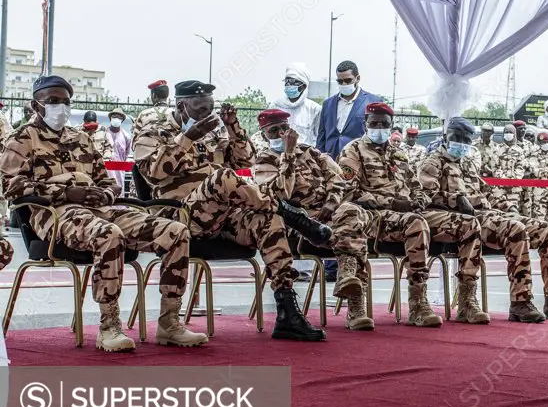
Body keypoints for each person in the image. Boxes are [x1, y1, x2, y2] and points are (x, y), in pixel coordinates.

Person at [0, 76, 206, 351]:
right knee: (109, 234)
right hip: (57, 215)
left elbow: (107, 180)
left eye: (65, 101)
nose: (60, 107)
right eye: (52, 101)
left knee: (175, 231)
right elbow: (9, 186)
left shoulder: (81, 138)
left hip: (101, 208)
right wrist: (65, 193)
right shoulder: (22, 139)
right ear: (36, 106)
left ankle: (170, 323)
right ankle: (109, 326)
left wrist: (105, 193)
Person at [133, 80, 327, 342]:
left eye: (210, 108)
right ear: (181, 105)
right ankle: (295, 216)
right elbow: (153, 174)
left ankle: (287, 312)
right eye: (201, 109)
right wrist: (187, 138)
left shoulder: (214, 132)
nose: (207, 115)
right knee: (223, 177)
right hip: (180, 216)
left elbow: (246, 160)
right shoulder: (152, 133)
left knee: (268, 220)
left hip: (223, 217)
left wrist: (232, 127)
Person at [418, 117, 548, 322]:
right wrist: (456, 200)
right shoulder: (432, 163)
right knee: (516, 229)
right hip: (465, 220)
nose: (462, 144)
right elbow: (425, 196)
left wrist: (508, 206)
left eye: (466, 140)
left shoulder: (467, 163)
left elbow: (487, 192)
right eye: (457, 138)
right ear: (446, 137)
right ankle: (521, 301)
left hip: (489, 214)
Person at [338, 103, 484, 327]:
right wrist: (393, 202)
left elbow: (417, 187)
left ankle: (466, 302)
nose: (379, 128)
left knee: (469, 224)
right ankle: (365, 305)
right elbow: (350, 193)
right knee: (416, 224)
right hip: (373, 214)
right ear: (364, 124)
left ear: (391, 126)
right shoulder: (353, 150)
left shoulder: (399, 154)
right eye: (374, 123)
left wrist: (419, 201)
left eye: (384, 124)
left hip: (405, 213)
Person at [251, 109, 374, 331]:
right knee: (353, 234)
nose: (280, 133)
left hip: (331, 215)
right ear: (263, 136)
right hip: (299, 225)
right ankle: (355, 307)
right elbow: (281, 195)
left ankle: (347, 276)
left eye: (284, 128)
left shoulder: (311, 152)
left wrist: (332, 201)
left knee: (352, 212)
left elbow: (337, 179)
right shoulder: (263, 162)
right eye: (273, 131)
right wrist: (287, 153)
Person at [317, 60, 385, 159]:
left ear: (357, 79)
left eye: (348, 80)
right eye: (340, 81)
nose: (344, 84)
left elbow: (378, 137)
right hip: (330, 161)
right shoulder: (328, 104)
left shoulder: (373, 102)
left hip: (359, 161)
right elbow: (321, 137)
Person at [270, 62, 322, 147]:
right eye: (287, 81)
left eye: (293, 82)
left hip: (303, 156)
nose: (289, 85)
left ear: (304, 86)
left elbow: (318, 136)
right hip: (277, 155)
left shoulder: (314, 109)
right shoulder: (276, 105)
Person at [105, 108, 131, 192]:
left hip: (119, 171)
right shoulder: (103, 133)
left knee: (119, 194)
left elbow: (126, 154)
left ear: (122, 120)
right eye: (114, 116)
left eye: (119, 117)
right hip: (106, 170)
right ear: (110, 118)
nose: (116, 119)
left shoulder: (126, 136)